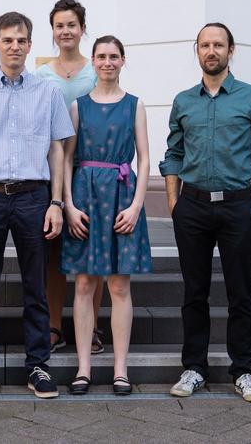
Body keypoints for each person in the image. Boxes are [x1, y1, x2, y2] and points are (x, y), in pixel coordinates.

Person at [159, 22, 251, 403]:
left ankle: (243, 371)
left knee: (240, 294)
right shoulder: (184, 101)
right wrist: (173, 201)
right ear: (196, 50)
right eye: (204, 45)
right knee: (194, 293)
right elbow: (174, 153)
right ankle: (194, 368)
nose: (211, 51)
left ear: (232, 51)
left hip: (237, 207)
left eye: (218, 45)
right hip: (192, 207)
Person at [0, 12, 75, 399]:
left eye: (21, 40)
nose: (14, 47)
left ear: (29, 44)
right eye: (7, 40)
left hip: (34, 197)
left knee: (35, 286)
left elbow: (57, 149)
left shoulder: (47, 91)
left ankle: (38, 366)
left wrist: (56, 202)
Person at [62, 35, 151, 396]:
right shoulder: (78, 106)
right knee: (84, 284)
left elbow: (144, 158)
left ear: (123, 60)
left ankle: (119, 369)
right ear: (93, 61)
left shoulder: (135, 104)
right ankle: (83, 368)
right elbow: (66, 158)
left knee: (119, 285)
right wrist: (68, 204)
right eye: (101, 56)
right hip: (85, 196)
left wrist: (136, 206)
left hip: (121, 195)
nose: (107, 62)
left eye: (114, 56)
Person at [35, 0, 107, 356]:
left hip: (90, 170)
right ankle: (52, 325)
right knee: (52, 253)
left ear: (82, 29)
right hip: (50, 171)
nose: (66, 31)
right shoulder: (40, 75)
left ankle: (90, 328)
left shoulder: (96, 71)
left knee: (89, 253)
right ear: (53, 31)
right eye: (59, 25)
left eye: (72, 25)